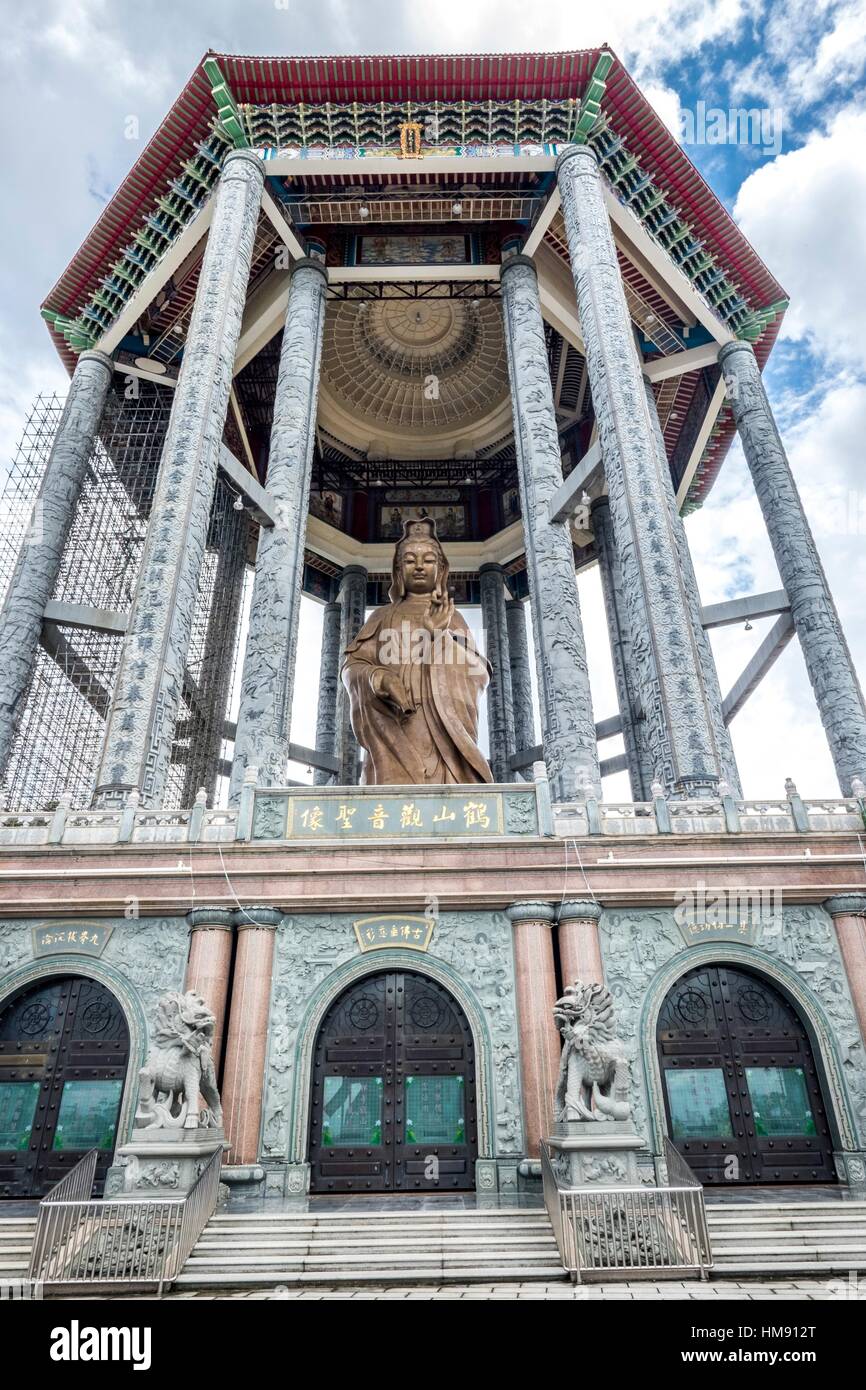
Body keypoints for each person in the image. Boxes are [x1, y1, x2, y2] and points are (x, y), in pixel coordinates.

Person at [341, 518, 492, 784]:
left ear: (441, 569)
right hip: (394, 728)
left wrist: (439, 636)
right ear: (398, 570)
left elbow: (479, 673)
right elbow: (352, 667)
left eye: (429, 560)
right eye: (410, 560)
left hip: (442, 737)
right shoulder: (382, 616)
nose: (419, 566)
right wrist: (377, 677)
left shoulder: (452, 617)